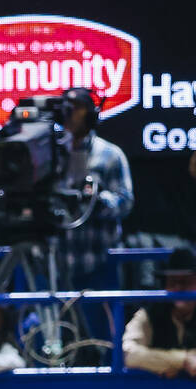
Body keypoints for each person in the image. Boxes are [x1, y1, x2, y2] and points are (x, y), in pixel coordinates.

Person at [57, 87, 133, 290]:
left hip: (100, 263)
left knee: (103, 322)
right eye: (67, 108)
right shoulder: (51, 154)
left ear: (91, 114)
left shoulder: (110, 155)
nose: (70, 113)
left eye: (77, 108)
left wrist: (96, 201)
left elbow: (125, 202)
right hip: (58, 265)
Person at [123, 247, 196, 379]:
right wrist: (183, 360)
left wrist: (158, 362)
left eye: (186, 281)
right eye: (172, 282)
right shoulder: (149, 314)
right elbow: (128, 353)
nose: (178, 288)